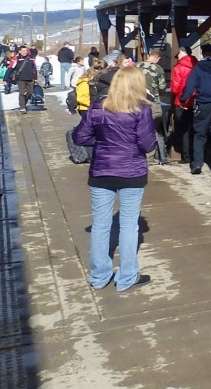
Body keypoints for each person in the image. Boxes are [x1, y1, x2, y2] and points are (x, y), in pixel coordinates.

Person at [71, 66, 157, 291]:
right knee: (129, 226)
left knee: (100, 224)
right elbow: (148, 144)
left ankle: (99, 276)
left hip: (102, 170)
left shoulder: (97, 107)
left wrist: (102, 142)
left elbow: (79, 137)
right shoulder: (141, 109)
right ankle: (127, 277)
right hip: (132, 171)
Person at [180, 43, 211, 175]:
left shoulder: (198, 67)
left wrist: (183, 98)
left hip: (203, 104)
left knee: (199, 134)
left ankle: (197, 163)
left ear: (202, 53)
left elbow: (190, 85)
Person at [138, 50, 169, 165]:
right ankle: (149, 157)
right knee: (152, 129)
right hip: (153, 102)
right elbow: (162, 86)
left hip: (137, 101)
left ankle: (138, 154)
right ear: (158, 58)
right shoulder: (158, 68)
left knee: (138, 127)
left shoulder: (136, 66)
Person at [170, 48, 196, 163]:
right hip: (195, 100)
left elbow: (175, 88)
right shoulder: (197, 65)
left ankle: (186, 156)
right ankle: (195, 154)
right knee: (194, 129)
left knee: (183, 129)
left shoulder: (178, 68)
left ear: (182, 53)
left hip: (181, 101)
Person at [75, 59, 107, 123]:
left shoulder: (98, 80)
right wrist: (93, 106)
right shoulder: (85, 81)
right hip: (86, 109)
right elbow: (82, 98)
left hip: (94, 108)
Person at [11, 44, 38, 115]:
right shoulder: (16, 59)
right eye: (23, 51)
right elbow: (10, 68)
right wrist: (6, 78)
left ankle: (23, 103)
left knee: (30, 92)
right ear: (19, 51)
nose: (25, 52)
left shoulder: (30, 59)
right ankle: (22, 107)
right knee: (22, 93)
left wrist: (35, 78)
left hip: (30, 78)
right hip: (20, 79)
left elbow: (34, 69)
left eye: (26, 51)